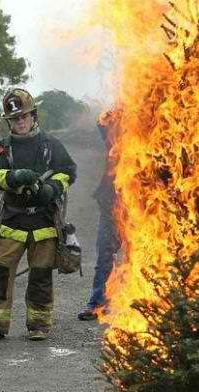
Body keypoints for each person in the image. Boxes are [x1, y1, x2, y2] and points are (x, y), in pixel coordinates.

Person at [0, 88, 77, 341]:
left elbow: (68, 171)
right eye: (14, 119)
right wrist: (14, 177)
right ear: (9, 121)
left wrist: (52, 188)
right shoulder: (3, 149)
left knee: (41, 276)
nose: (20, 122)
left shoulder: (51, 145)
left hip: (44, 221)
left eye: (24, 117)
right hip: (12, 221)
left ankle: (38, 326)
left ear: (33, 116)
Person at [77, 109, 122, 320]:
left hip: (146, 202)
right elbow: (103, 122)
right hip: (112, 203)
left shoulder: (158, 131)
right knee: (105, 254)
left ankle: (150, 303)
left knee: (145, 254)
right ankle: (98, 303)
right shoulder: (115, 133)